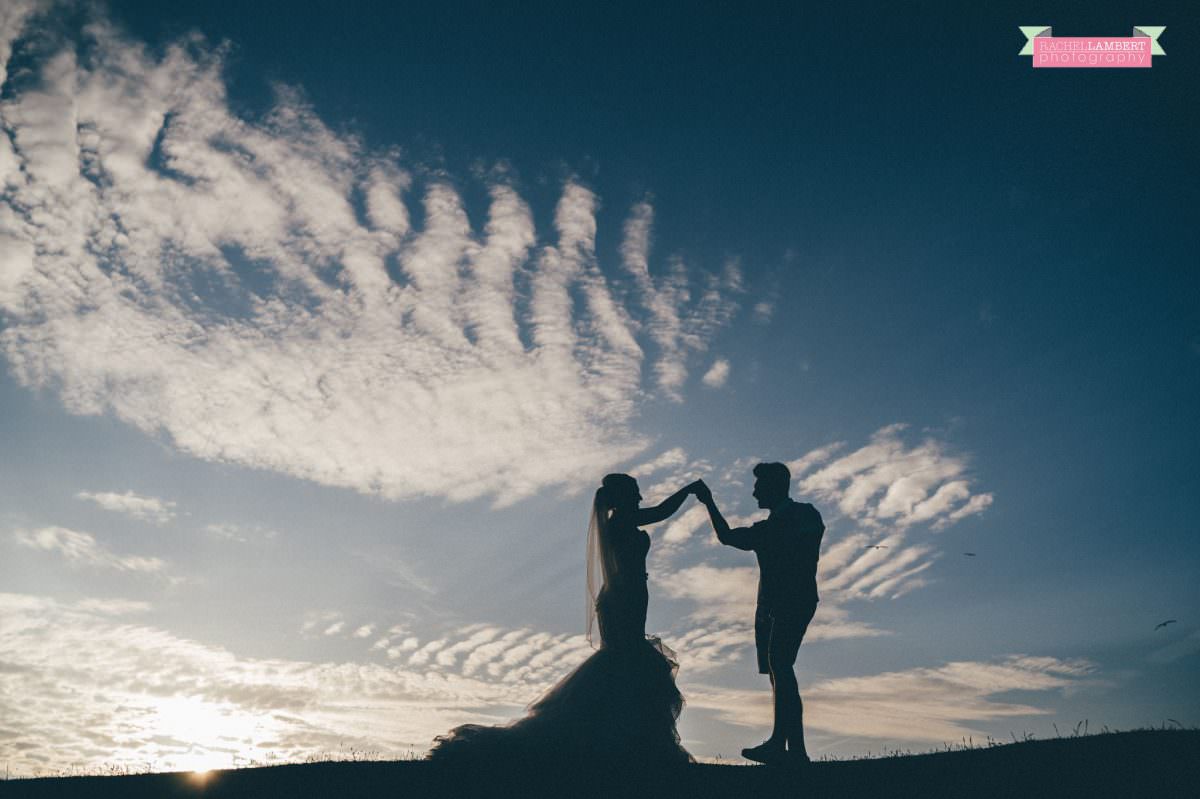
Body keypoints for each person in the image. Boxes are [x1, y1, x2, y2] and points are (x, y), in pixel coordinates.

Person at [428, 473, 703, 766]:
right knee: (627, 662)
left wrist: (687, 493)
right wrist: (689, 490)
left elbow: (658, 513)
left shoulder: (623, 521)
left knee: (627, 664)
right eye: (635, 492)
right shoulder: (621, 523)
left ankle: (626, 744)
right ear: (622, 497)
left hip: (630, 596)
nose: (639, 498)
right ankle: (627, 744)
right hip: (623, 598)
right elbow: (660, 512)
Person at [695, 463, 824, 765]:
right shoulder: (773, 526)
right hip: (773, 606)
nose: (753, 492)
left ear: (775, 486)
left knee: (780, 665)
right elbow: (727, 536)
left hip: (792, 601)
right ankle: (793, 750)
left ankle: (785, 747)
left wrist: (709, 501)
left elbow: (806, 535)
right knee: (780, 671)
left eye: (758, 486)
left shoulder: (800, 515)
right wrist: (709, 502)